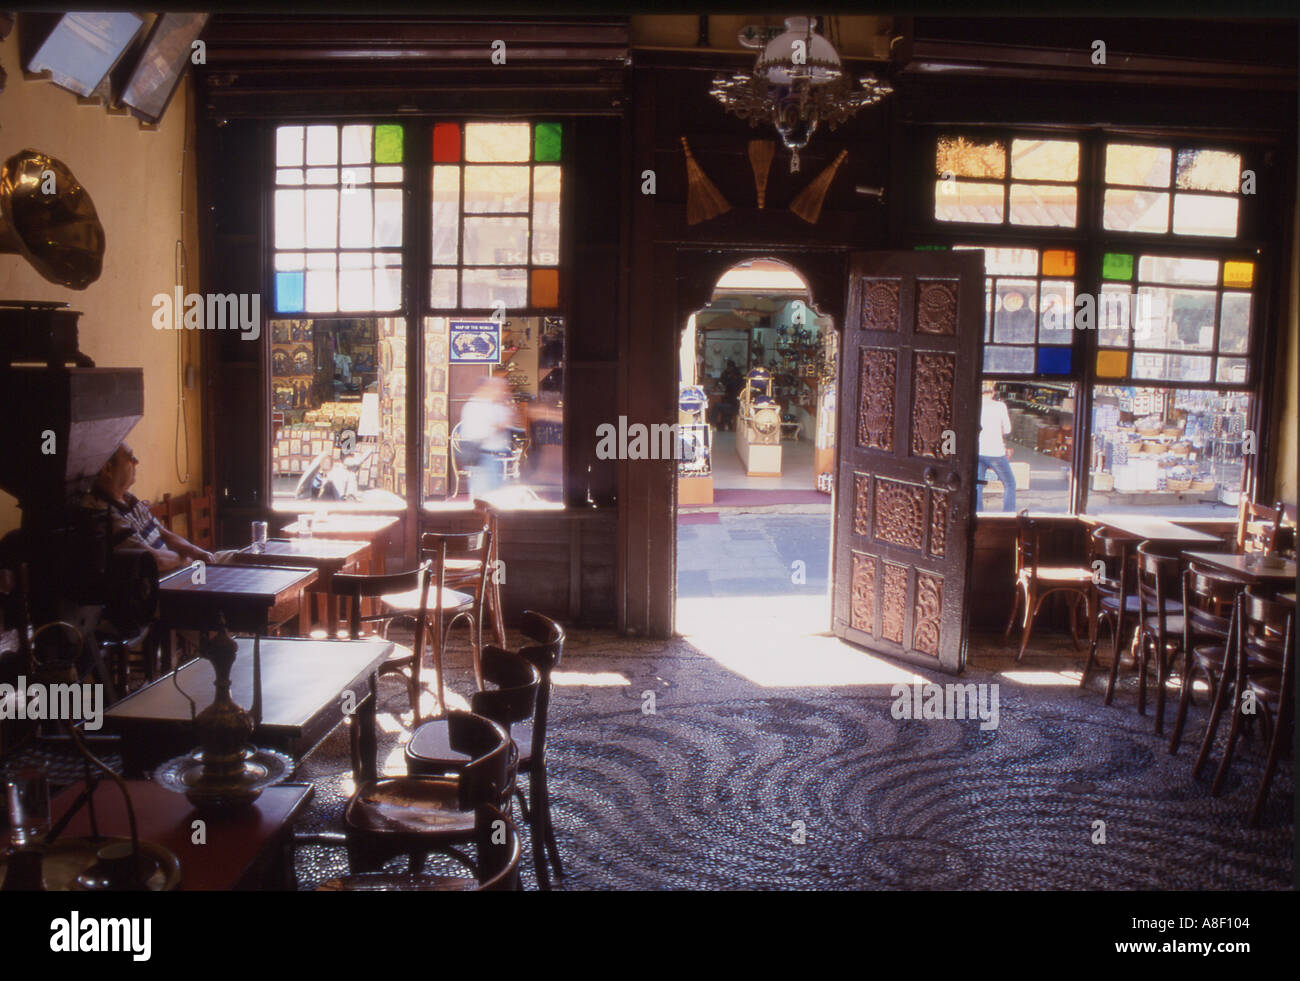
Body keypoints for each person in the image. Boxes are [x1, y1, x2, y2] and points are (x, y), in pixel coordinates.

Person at [83, 443, 216, 573]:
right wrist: (186, 559)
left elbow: (162, 532)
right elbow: (153, 560)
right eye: (130, 457)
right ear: (107, 469)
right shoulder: (102, 511)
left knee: (233, 557)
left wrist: (195, 551)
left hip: (180, 567)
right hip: (164, 581)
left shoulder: (128, 498)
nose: (136, 461)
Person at [459, 376, 522, 500]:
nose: (502, 392)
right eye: (499, 389)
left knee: (499, 499)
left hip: (499, 457)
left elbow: (512, 423)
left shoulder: (496, 406)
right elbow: (474, 433)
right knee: (486, 500)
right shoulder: (474, 406)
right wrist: (496, 427)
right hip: (483, 459)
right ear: (488, 388)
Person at [976, 382, 1017, 512]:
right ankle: (1008, 514)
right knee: (1010, 484)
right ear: (993, 392)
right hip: (995, 453)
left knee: (978, 485)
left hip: (978, 451)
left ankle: (978, 513)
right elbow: (1007, 429)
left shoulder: (974, 406)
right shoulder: (1000, 406)